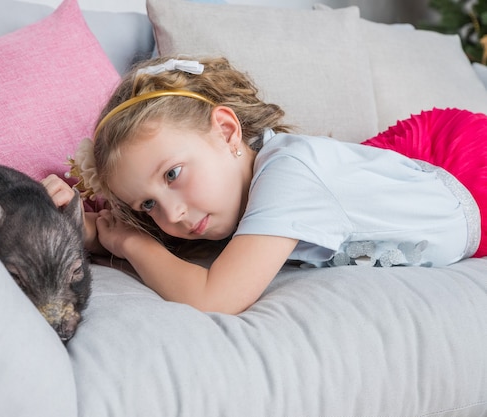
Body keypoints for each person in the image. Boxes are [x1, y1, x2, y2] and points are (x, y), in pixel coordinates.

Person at [43, 56, 487, 315]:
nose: (171, 214)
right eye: (147, 205)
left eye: (173, 174)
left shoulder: (286, 176)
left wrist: (131, 244)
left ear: (226, 131)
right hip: (406, 168)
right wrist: (81, 226)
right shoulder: (228, 196)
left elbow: (215, 297)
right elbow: (156, 244)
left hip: (467, 169)